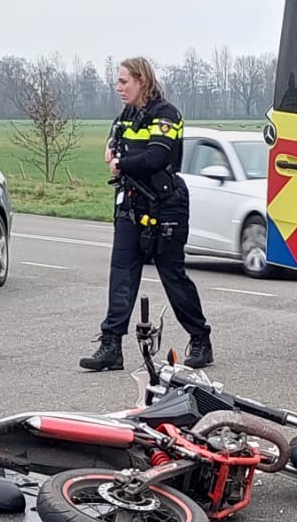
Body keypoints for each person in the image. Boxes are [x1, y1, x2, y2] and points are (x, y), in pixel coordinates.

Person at [80, 57, 213, 373]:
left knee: (173, 276)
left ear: (142, 80)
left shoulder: (167, 115)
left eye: (124, 81)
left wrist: (122, 164)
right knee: (122, 275)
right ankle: (110, 345)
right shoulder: (126, 116)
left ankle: (200, 340)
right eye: (118, 81)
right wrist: (112, 149)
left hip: (166, 206)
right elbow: (115, 142)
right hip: (131, 204)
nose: (118, 87)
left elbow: (156, 156)